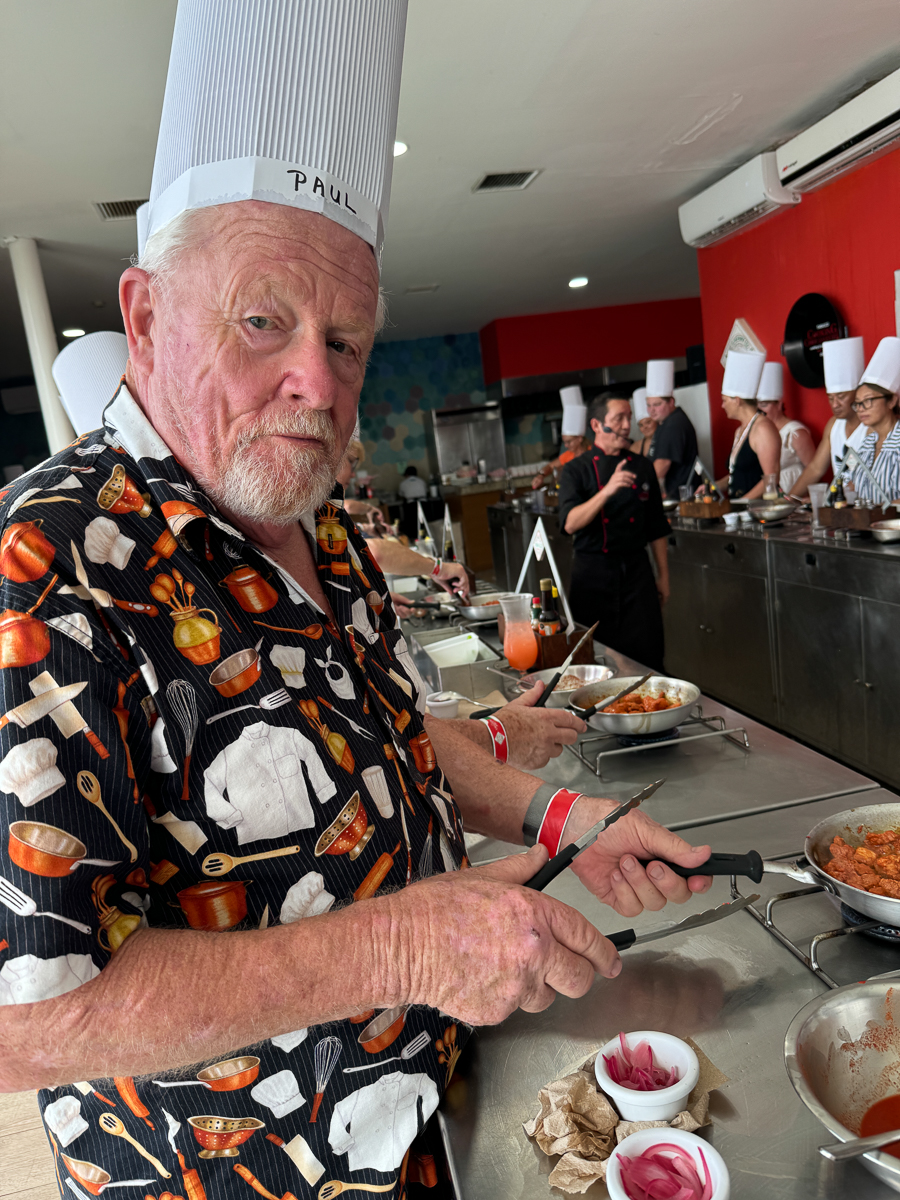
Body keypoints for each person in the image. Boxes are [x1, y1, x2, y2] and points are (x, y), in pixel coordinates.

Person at [0, 6, 712, 1193]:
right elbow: (24, 1013)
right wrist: (410, 940)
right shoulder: (47, 562)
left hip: (434, 1120)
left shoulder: (309, 514)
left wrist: (556, 821)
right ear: (143, 318)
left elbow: (371, 734)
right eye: (265, 320)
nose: (317, 383)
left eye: (349, 338)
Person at [558, 391, 671, 671]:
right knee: (594, 663)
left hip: (637, 575)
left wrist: (664, 576)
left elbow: (656, 528)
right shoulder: (576, 470)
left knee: (649, 655)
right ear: (597, 425)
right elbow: (570, 522)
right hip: (592, 577)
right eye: (618, 418)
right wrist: (607, 491)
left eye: (628, 418)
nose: (625, 425)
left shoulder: (642, 467)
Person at [786, 337, 867, 499]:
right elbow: (816, 468)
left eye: (841, 396)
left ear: (857, 393)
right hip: (838, 504)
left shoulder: (870, 426)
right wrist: (789, 499)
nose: (835, 404)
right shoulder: (833, 426)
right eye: (830, 398)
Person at [715, 349, 782, 499]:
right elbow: (739, 474)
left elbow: (771, 478)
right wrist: (716, 485)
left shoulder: (763, 428)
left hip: (757, 511)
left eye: (725, 400)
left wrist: (741, 503)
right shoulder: (739, 430)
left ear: (737, 400)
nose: (722, 406)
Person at [850, 337, 900, 503]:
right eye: (857, 404)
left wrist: (881, 510)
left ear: (892, 401)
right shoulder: (866, 444)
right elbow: (850, 482)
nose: (861, 408)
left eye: (868, 401)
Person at [753, 362, 815, 494]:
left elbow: (814, 470)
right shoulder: (760, 432)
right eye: (757, 406)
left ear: (779, 405)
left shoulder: (795, 433)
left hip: (794, 499)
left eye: (764, 405)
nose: (760, 411)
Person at [644, 360, 698, 499]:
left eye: (657, 404)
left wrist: (641, 488)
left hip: (682, 497)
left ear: (671, 402)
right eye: (649, 405)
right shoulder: (666, 422)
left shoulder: (673, 424)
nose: (652, 410)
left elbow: (662, 465)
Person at [532, 386, 591, 489]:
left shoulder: (592, 452)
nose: (566, 445)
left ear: (579, 438)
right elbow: (550, 466)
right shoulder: (568, 455)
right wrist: (540, 475)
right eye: (564, 442)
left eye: (569, 442)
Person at [630, 387, 657, 455]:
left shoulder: (667, 441)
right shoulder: (635, 448)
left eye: (648, 422)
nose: (645, 427)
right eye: (641, 425)